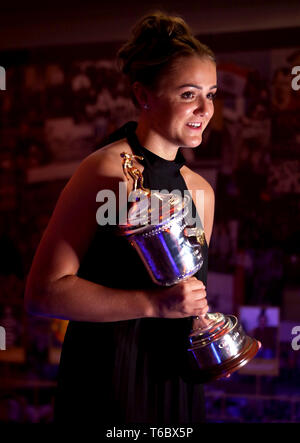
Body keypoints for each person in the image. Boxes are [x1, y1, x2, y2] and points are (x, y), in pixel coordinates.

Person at [25, 11, 217, 424]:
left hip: (176, 385)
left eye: (211, 93)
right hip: (107, 379)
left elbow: (188, 301)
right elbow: (42, 294)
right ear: (143, 95)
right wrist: (154, 304)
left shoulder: (201, 192)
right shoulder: (103, 171)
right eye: (188, 94)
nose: (205, 108)